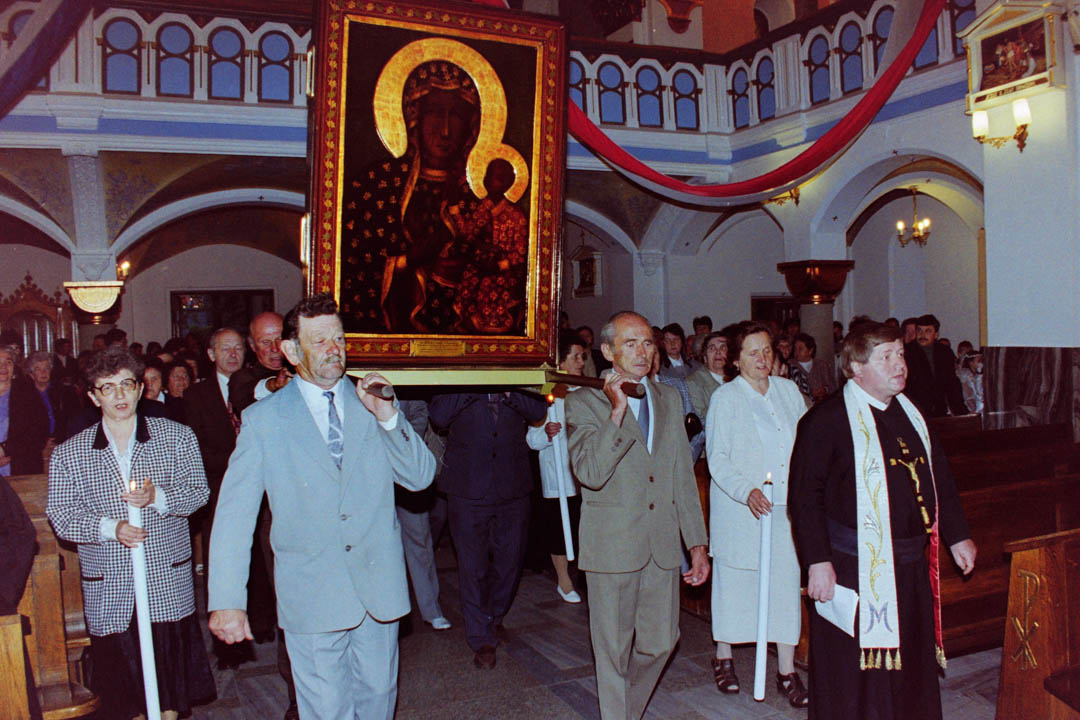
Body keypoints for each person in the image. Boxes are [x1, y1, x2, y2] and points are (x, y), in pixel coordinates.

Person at [209, 293, 435, 720]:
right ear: (292, 352)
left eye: (339, 339)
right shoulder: (264, 420)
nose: (334, 349)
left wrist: (389, 417)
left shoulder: (372, 402)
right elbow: (234, 516)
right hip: (310, 595)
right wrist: (227, 599)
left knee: (378, 702)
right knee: (326, 711)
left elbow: (420, 478)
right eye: (320, 341)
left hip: (378, 592)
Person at [788, 322, 977, 720]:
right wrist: (817, 561)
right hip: (853, 566)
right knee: (854, 673)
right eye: (886, 357)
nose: (899, 365)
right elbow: (805, 498)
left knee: (910, 664)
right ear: (856, 367)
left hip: (909, 566)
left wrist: (958, 536)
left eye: (900, 355)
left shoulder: (912, 413)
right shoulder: (826, 420)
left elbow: (939, 477)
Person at [46, 346, 214, 720]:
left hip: (164, 579)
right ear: (94, 396)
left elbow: (198, 493)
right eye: (108, 387)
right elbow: (62, 516)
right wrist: (112, 528)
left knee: (168, 693)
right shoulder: (70, 453)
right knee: (127, 697)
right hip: (110, 585)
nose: (119, 395)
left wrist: (159, 497)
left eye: (126, 384)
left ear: (140, 389)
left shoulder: (177, 437)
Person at [565, 310, 709, 720]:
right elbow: (590, 473)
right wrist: (616, 412)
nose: (642, 352)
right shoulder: (583, 402)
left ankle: (623, 712)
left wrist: (697, 544)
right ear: (608, 351)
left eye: (647, 342)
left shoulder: (667, 398)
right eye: (630, 344)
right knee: (612, 653)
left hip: (661, 544)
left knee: (662, 642)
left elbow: (681, 475)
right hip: (612, 545)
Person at [704, 322, 809, 706]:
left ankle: (787, 670)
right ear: (736, 359)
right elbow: (717, 457)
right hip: (742, 509)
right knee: (736, 586)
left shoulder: (787, 391)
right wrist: (745, 490)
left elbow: (805, 443)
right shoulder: (726, 398)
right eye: (753, 352)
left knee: (784, 587)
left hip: (784, 510)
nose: (762, 358)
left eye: (767, 351)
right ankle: (724, 657)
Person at [340, 60, 486, 334]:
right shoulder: (378, 184)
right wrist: (406, 261)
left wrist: (463, 273)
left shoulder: (475, 198)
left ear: (471, 126)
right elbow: (354, 267)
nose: (445, 130)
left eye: (456, 116)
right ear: (414, 116)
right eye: (434, 112)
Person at [429, 384, 548, 669]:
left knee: (510, 562)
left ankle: (494, 616)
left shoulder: (516, 369)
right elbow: (439, 416)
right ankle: (480, 636)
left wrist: (509, 391)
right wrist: (476, 382)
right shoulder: (455, 370)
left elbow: (538, 410)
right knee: (472, 567)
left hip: (513, 483)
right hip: (467, 486)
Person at [526, 332, 588, 603]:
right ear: (561, 361)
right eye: (575, 357)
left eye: (582, 357)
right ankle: (563, 580)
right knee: (559, 530)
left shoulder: (587, 391)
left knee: (582, 529)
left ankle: (585, 577)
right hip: (558, 475)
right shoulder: (548, 393)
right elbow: (532, 440)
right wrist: (547, 433)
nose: (581, 362)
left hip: (583, 475)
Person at [228, 311, 290, 418]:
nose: (275, 348)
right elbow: (243, 398)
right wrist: (273, 385)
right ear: (252, 345)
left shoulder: (303, 370)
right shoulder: (243, 379)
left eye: (280, 339)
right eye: (266, 342)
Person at [904, 314, 966, 417]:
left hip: (939, 410)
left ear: (936, 335)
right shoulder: (907, 352)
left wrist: (960, 412)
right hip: (914, 410)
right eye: (919, 331)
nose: (922, 335)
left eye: (928, 331)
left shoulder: (945, 352)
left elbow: (951, 383)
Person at [0, 345, 48, 477]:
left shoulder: (27, 394)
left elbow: (38, 433)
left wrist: (4, 449)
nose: (3, 367)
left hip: (20, 469)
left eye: (8, 362)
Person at [686, 331, 727, 421]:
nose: (718, 352)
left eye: (723, 347)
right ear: (705, 357)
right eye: (712, 348)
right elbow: (701, 417)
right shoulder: (693, 382)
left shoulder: (739, 378)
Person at [788, 332, 835, 403]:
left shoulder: (821, 365)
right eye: (795, 348)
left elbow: (833, 386)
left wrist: (824, 390)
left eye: (800, 349)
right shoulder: (790, 365)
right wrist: (809, 393)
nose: (796, 352)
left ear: (810, 351)